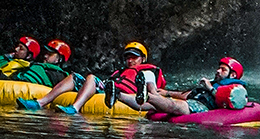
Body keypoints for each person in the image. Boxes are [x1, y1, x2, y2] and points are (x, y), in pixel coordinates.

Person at [17, 41, 165, 114]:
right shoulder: (120, 72)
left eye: (135, 57)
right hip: (107, 90)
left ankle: (74, 108)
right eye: (128, 57)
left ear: (143, 59)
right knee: (75, 77)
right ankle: (40, 103)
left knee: (92, 77)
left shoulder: (147, 72)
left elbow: (152, 92)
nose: (130, 61)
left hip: (125, 95)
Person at [135, 56, 248, 116]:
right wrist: (167, 93)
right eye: (218, 68)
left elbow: (229, 100)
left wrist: (209, 87)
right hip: (193, 102)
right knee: (153, 105)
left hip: (202, 108)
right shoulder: (214, 82)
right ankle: (120, 95)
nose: (218, 71)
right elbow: (190, 94)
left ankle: (147, 95)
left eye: (223, 69)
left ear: (232, 75)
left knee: (175, 105)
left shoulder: (236, 88)